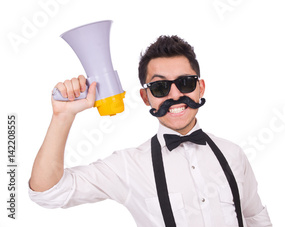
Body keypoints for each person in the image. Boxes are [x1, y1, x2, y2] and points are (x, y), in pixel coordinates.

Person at [29, 35, 272, 227]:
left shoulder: (233, 154)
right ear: (146, 97)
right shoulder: (129, 165)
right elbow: (49, 193)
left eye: (185, 82)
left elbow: (255, 217)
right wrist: (63, 116)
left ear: (201, 88)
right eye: (160, 87)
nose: (175, 95)